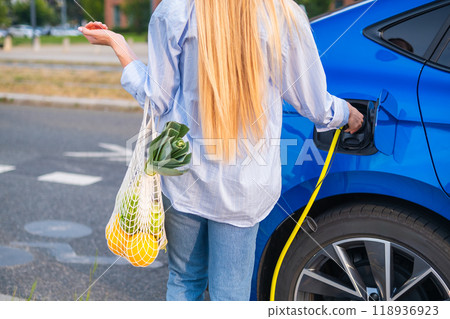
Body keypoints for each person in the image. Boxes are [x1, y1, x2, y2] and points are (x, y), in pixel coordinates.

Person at [79, 0, 363, 301]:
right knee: (230, 294)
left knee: (184, 280)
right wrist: (347, 114)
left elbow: (156, 99)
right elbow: (314, 102)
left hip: (177, 169)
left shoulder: (175, 11)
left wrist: (119, 44)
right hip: (242, 184)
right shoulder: (283, 13)